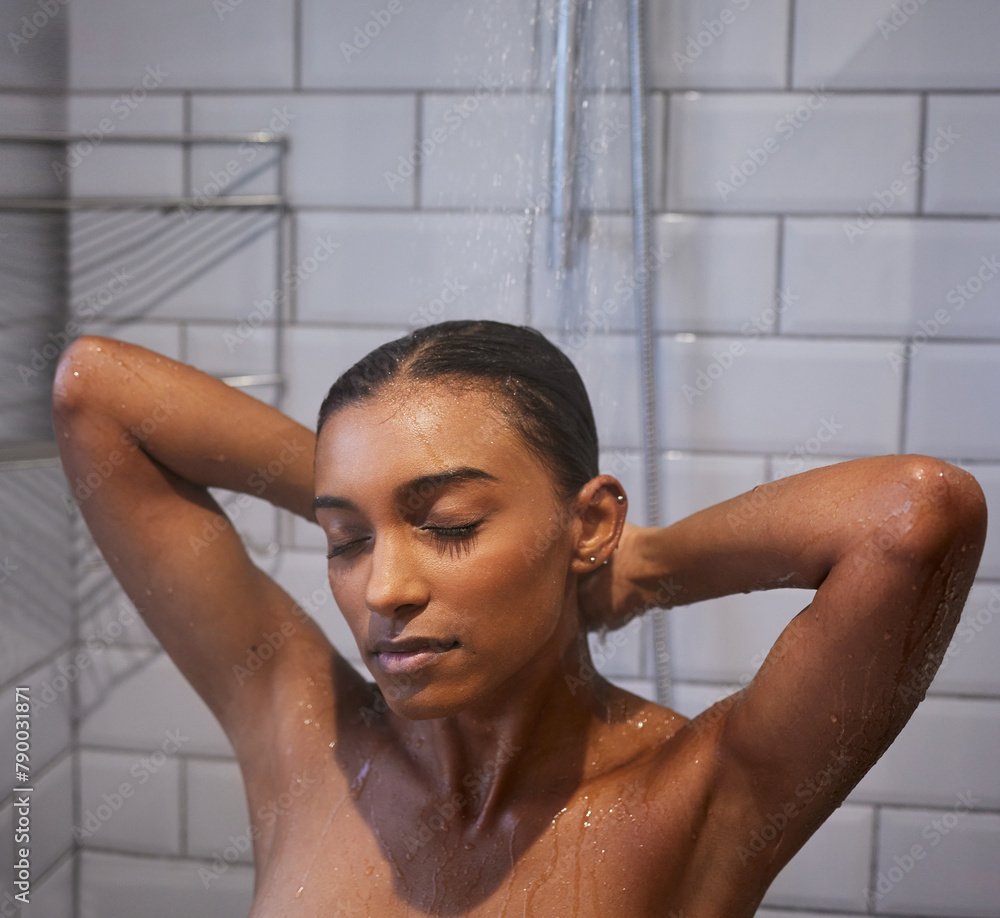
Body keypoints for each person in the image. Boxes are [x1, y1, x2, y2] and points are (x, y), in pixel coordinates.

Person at [52, 320, 986, 917]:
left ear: (589, 522)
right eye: (343, 542)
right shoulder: (307, 742)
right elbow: (93, 388)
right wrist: (381, 504)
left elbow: (916, 517)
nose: (382, 591)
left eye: (448, 524)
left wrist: (646, 569)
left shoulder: (691, 798)